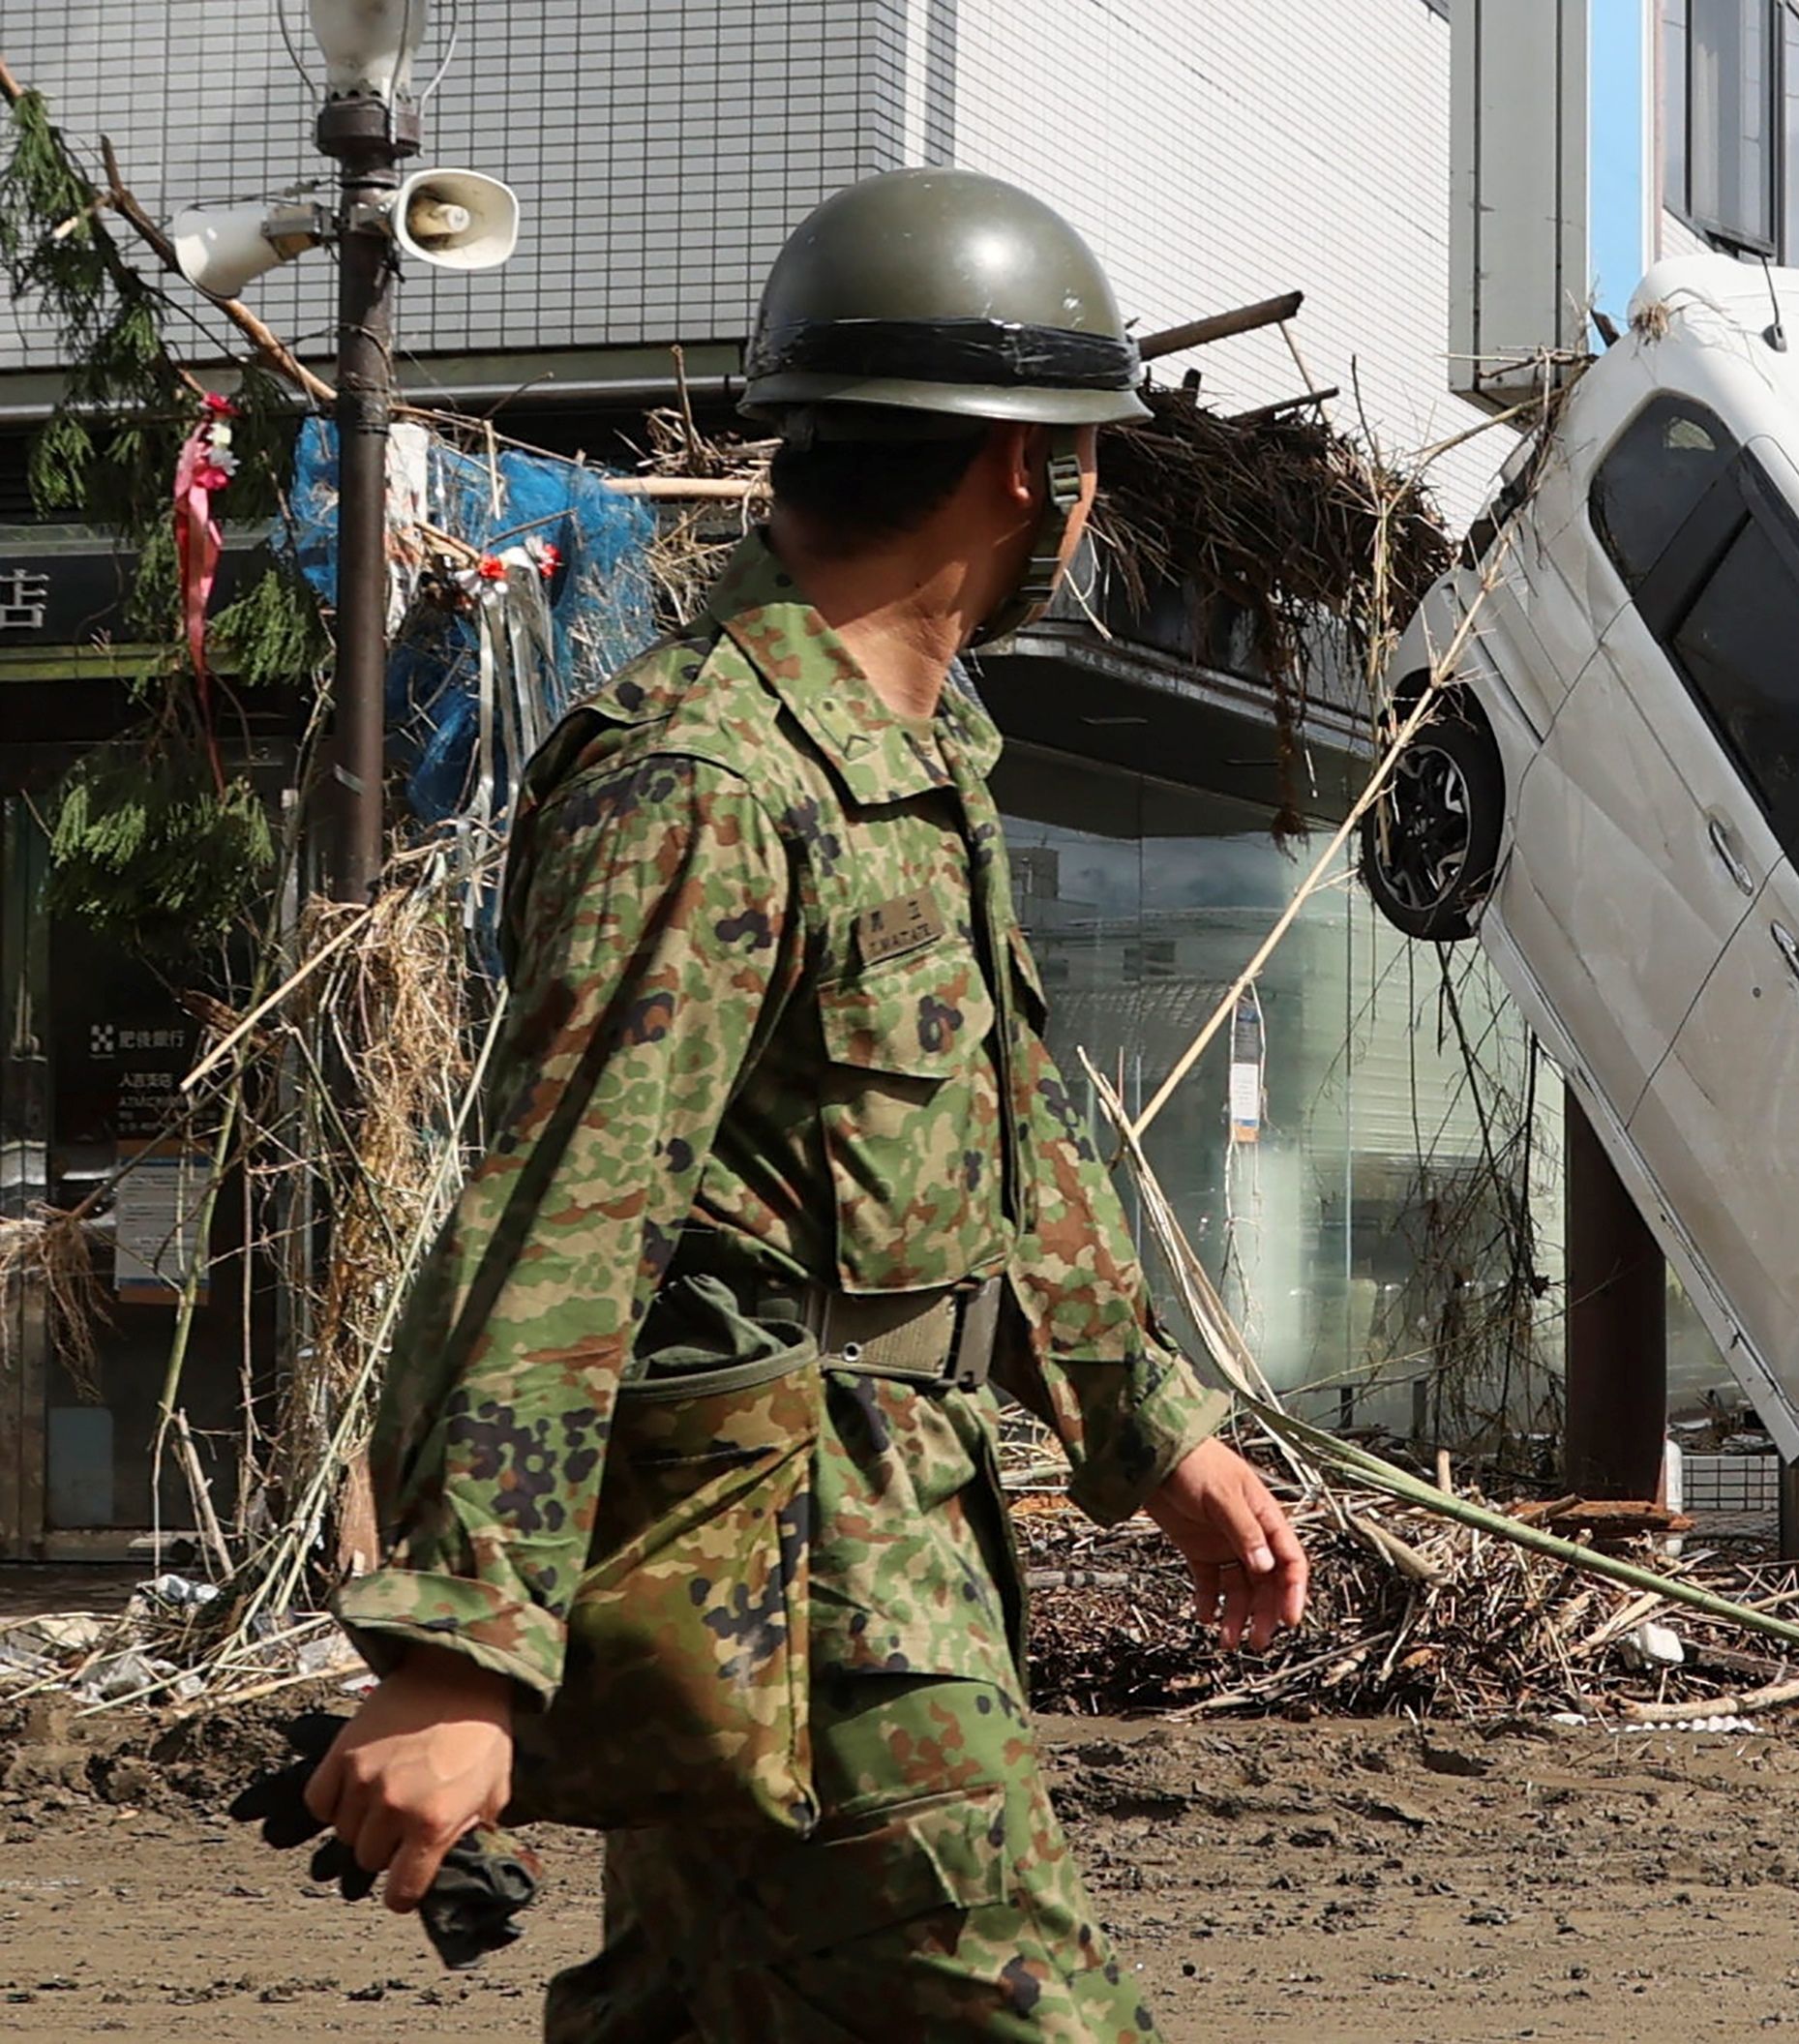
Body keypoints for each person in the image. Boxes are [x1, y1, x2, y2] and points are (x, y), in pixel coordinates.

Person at [298, 167, 1310, 2039]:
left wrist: (1149, 1426)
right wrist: (462, 1650)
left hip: (843, 1563)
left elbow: (1005, 1137)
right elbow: (558, 1221)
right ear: (1026, 470)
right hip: (811, 1584)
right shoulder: (709, 779)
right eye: (1087, 453)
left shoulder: (910, 764)